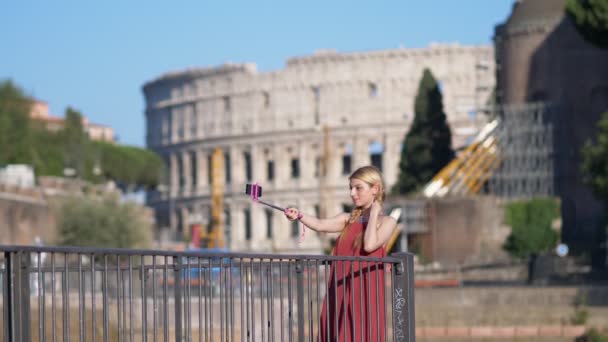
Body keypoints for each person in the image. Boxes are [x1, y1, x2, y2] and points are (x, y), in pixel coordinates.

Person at [284, 165, 397, 342]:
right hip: (340, 285)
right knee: (336, 330)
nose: (352, 193)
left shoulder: (388, 222)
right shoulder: (347, 218)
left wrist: (374, 213)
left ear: (374, 189)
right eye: (350, 188)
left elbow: (369, 245)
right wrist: (298, 215)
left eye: (358, 188)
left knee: (363, 332)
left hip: (366, 289)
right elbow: (320, 225)